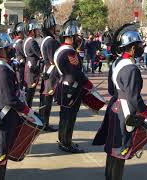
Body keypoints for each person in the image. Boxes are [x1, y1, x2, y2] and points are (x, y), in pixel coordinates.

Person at [93, 23, 147, 180]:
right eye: (138, 45)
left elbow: (113, 90)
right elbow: (133, 98)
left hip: (115, 106)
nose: (140, 47)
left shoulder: (117, 62)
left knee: (113, 149)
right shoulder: (131, 68)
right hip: (125, 111)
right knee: (121, 151)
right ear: (132, 48)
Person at [0, 24, 35, 180]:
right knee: (0, 156)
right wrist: (27, 111)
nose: (12, 48)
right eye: (8, 47)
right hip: (3, 118)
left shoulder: (1, 66)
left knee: (0, 156)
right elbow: (9, 99)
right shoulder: (1, 69)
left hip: (3, 115)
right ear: (1, 50)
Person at [54, 19, 94, 153]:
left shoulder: (62, 49)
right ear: (70, 37)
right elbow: (75, 72)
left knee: (65, 115)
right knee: (69, 117)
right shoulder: (69, 52)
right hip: (71, 87)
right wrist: (88, 84)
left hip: (65, 85)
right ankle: (66, 143)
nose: (78, 39)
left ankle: (63, 140)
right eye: (76, 36)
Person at [38, 13, 60, 132]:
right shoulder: (51, 41)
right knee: (47, 99)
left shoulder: (45, 40)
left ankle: (43, 122)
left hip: (46, 71)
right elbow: (53, 60)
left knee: (45, 98)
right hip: (50, 72)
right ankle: (45, 123)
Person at [24, 19, 42, 107]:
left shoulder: (26, 40)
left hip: (29, 66)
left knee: (28, 92)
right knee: (30, 92)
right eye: (36, 30)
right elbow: (40, 55)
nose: (38, 31)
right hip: (33, 68)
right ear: (32, 31)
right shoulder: (32, 42)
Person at [12, 22, 26, 89]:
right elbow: (24, 53)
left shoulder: (14, 40)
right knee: (20, 80)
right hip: (20, 63)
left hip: (15, 61)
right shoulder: (20, 42)